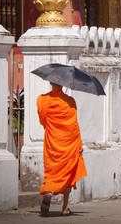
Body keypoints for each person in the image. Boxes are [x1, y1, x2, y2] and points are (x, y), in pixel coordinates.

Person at [37, 82, 87, 216]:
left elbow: (43, 121)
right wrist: (79, 143)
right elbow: (74, 126)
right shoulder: (70, 102)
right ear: (63, 85)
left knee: (52, 171)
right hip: (69, 144)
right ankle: (64, 208)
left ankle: (49, 191)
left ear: (50, 82)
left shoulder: (42, 100)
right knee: (68, 174)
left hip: (52, 142)